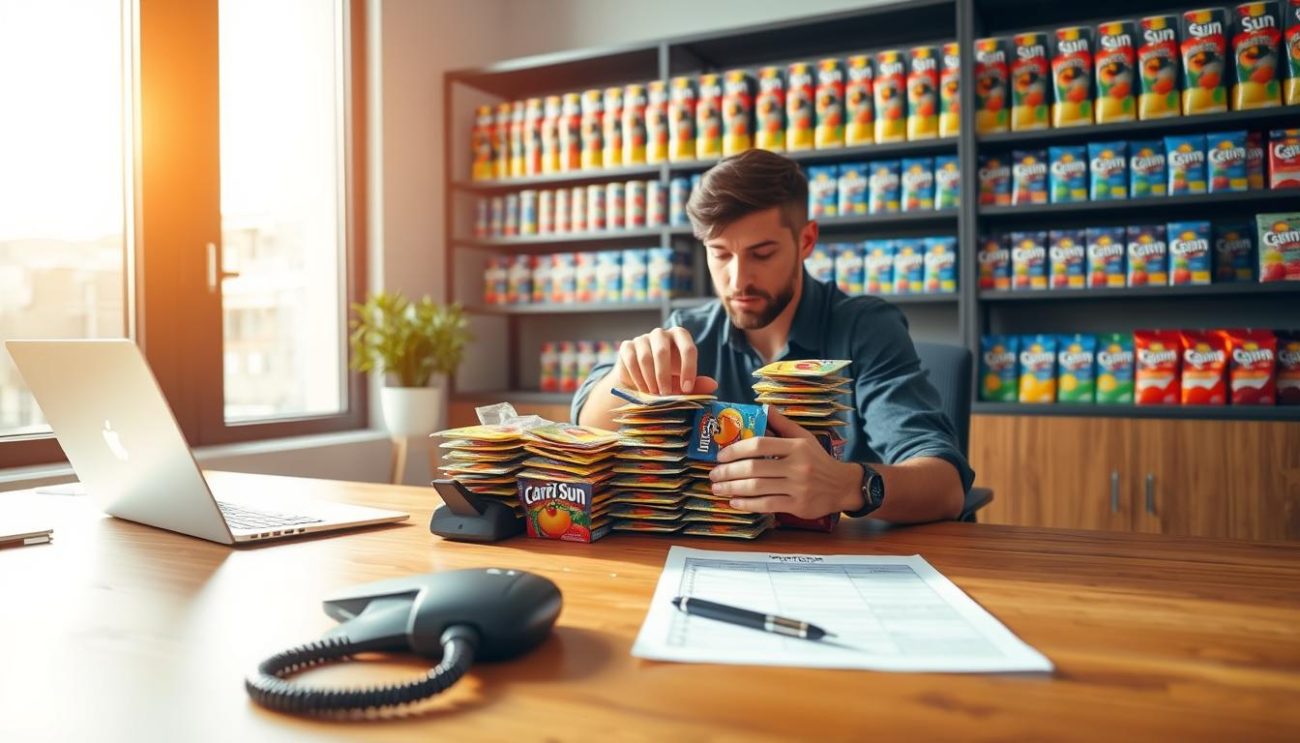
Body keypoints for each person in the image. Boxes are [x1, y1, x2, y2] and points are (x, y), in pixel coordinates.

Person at [571, 149, 974, 523]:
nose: (738, 279)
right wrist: (626, 376)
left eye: (762, 254)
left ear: (806, 241)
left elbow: (946, 486)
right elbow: (586, 431)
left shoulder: (866, 328)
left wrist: (848, 485)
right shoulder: (690, 332)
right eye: (721, 254)